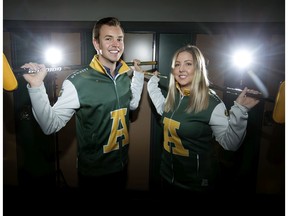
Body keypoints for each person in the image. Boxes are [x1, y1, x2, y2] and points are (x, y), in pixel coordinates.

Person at [21, 17, 145, 194]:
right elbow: (50, 125)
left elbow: (132, 105)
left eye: (120, 38)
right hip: (94, 175)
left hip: (122, 166)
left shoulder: (125, 76)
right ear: (96, 43)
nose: (115, 44)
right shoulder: (78, 82)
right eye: (108, 38)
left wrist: (138, 77)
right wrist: (36, 86)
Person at [146, 44, 260, 194]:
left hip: (196, 185)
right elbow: (162, 109)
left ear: (199, 69)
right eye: (177, 64)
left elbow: (230, 144)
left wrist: (240, 110)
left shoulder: (212, 103)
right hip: (167, 178)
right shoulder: (174, 96)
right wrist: (152, 82)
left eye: (188, 64)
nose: (181, 69)